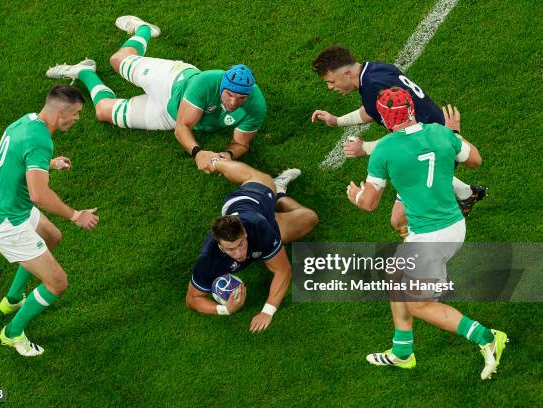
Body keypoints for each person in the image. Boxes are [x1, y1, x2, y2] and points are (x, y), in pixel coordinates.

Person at [346, 87, 507, 380]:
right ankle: (402, 352)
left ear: (383, 116)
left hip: (431, 237)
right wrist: (454, 134)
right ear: (411, 109)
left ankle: (487, 337)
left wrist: (354, 194)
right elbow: (475, 160)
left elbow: (368, 204)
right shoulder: (440, 133)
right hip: (452, 224)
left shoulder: (384, 149)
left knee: (418, 304)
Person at [47, 15, 267, 174]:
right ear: (222, 87)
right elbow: (183, 128)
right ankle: (144, 29)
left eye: (241, 98)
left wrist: (225, 156)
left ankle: (85, 71)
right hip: (170, 81)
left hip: (170, 114)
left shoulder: (255, 107)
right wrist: (198, 152)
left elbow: (241, 144)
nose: (233, 102)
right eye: (229, 95)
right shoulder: (204, 84)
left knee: (103, 111)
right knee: (117, 61)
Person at [311, 45, 486, 234]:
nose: (330, 87)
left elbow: (403, 137)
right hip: (435, 135)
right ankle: (467, 194)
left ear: (346, 73)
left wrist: (366, 148)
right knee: (430, 174)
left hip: (428, 143)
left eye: (331, 81)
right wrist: (337, 121)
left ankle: (424, 250)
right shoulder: (375, 70)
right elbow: (372, 110)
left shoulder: (373, 87)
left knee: (399, 219)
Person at [0, 85, 99, 356]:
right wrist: (75, 215)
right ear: (60, 113)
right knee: (58, 282)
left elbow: (16, 160)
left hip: (7, 206)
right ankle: (12, 334)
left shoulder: (26, 122)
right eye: (77, 113)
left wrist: (48, 163)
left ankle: (11, 300)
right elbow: (39, 194)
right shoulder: (40, 141)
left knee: (52, 237)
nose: (78, 118)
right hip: (7, 222)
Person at [186, 159, 318, 332]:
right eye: (230, 249)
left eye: (241, 244)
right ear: (219, 245)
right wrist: (224, 309)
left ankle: (217, 161)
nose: (239, 253)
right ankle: (277, 197)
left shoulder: (259, 228)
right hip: (251, 211)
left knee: (309, 216)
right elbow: (193, 298)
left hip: (257, 196)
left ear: (246, 233)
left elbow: (283, 271)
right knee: (309, 218)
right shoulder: (209, 257)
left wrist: (267, 311)